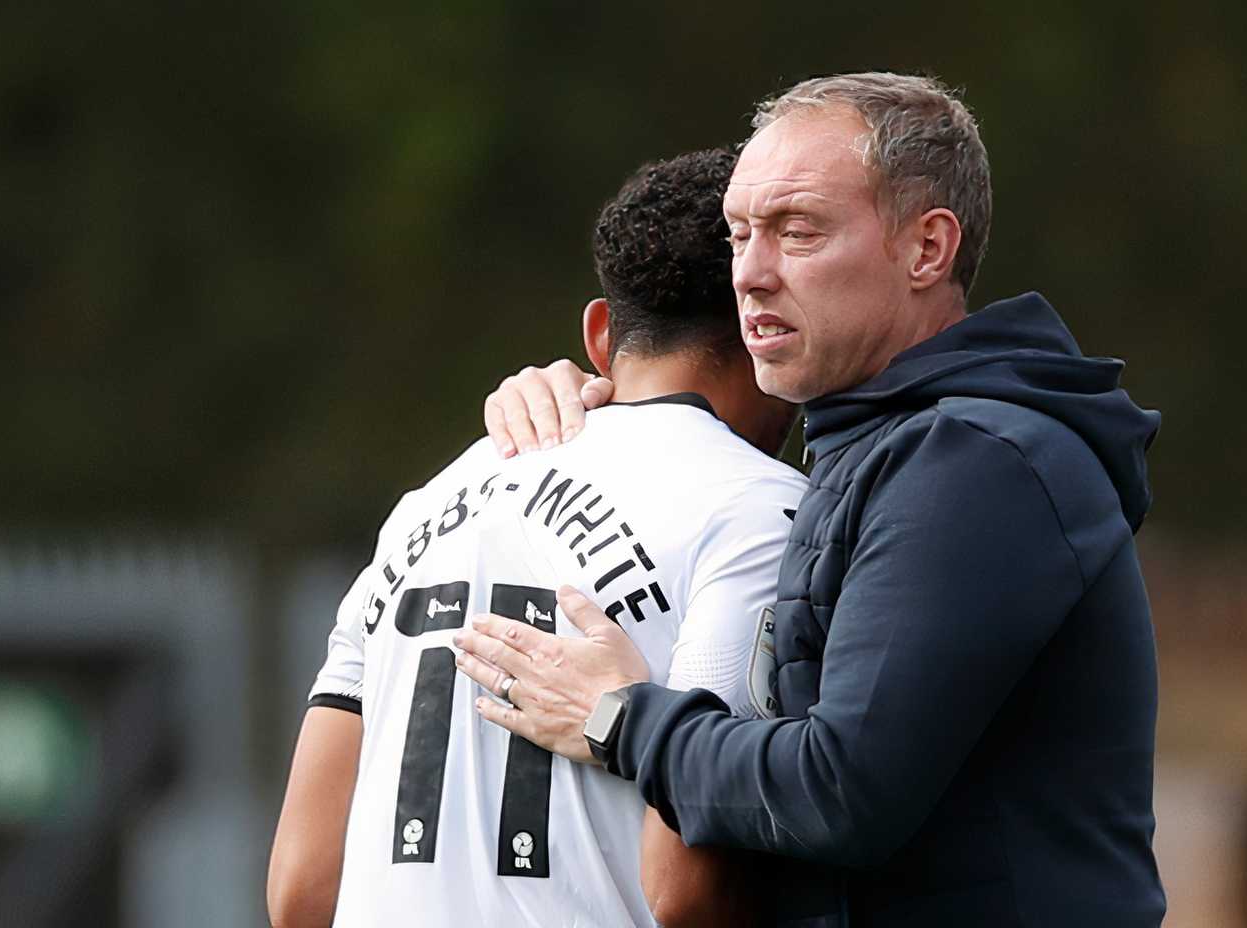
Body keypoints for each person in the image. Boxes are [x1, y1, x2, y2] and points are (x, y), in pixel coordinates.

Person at [455, 72, 1166, 926]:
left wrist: (617, 718)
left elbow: (840, 790)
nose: (748, 276)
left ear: (927, 249)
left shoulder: (975, 459)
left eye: (798, 232)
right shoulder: (880, 443)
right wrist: (603, 403)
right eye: (738, 234)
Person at [266, 148, 809, 928]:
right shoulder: (759, 511)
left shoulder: (427, 503)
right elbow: (691, 891)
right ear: (765, 324)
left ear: (599, 333)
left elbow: (301, 891)